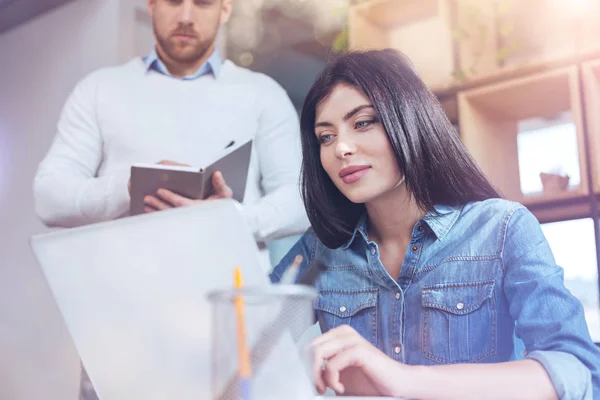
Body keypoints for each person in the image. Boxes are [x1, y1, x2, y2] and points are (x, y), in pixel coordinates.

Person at [270, 49, 600, 399]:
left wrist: (402, 379)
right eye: (326, 136)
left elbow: (577, 370)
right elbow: (249, 345)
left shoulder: (501, 228)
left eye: (362, 122)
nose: (341, 148)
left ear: (408, 118)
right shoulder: (320, 250)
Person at [33, 0, 308, 398]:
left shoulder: (262, 94)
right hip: (122, 325)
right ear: (151, 4)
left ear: (226, 9)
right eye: (173, 1)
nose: (185, 16)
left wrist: (229, 218)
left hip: (228, 326)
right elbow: (48, 197)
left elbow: (300, 201)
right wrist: (124, 188)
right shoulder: (99, 90)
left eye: (203, 3)